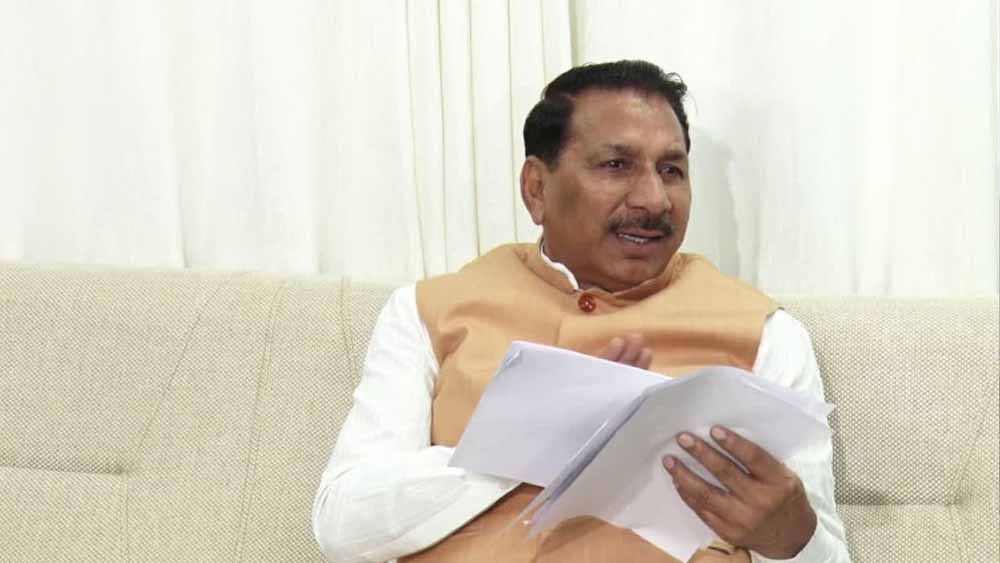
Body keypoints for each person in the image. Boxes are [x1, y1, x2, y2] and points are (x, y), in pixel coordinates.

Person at [312, 60, 850, 562]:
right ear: (536, 189)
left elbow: (822, 549)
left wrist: (794, 539)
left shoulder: (765, 333)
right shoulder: (427, 312)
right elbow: (342, 525)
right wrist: (538, 438)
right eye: (616, 165)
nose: (654, 200)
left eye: (671, 170)